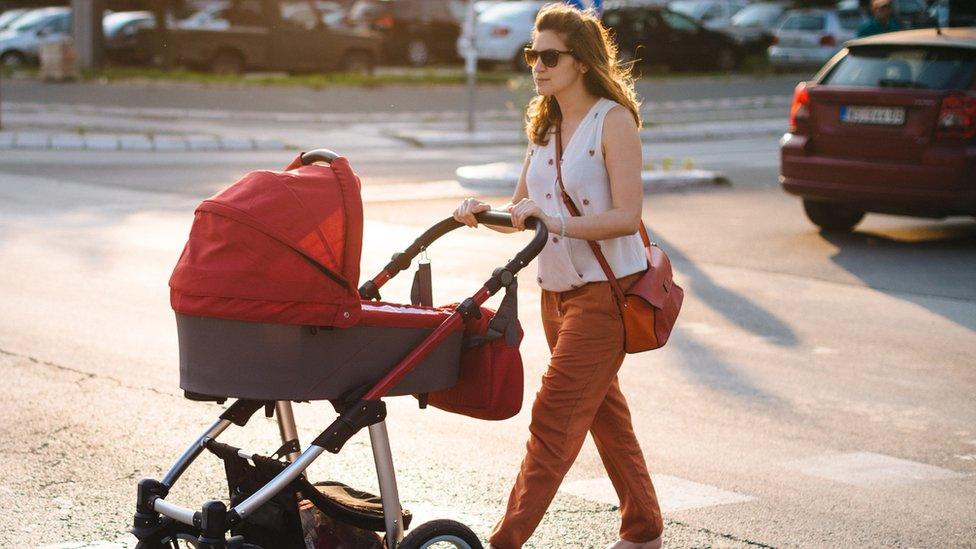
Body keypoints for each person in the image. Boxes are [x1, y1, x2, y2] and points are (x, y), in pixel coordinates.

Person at [453, 4, 663, 549]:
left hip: (606, 297)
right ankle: (645, 531)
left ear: (583, 63)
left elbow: (627, 216)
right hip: (557, 297)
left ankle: (503, 542)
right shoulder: (545, 125)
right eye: (532, 55)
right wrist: (483, 211)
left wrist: (560, 223)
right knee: (603, 417)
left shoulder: (612, 122)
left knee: (553, 420)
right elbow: (523, 209)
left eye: (549, 56)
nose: (536, 66)